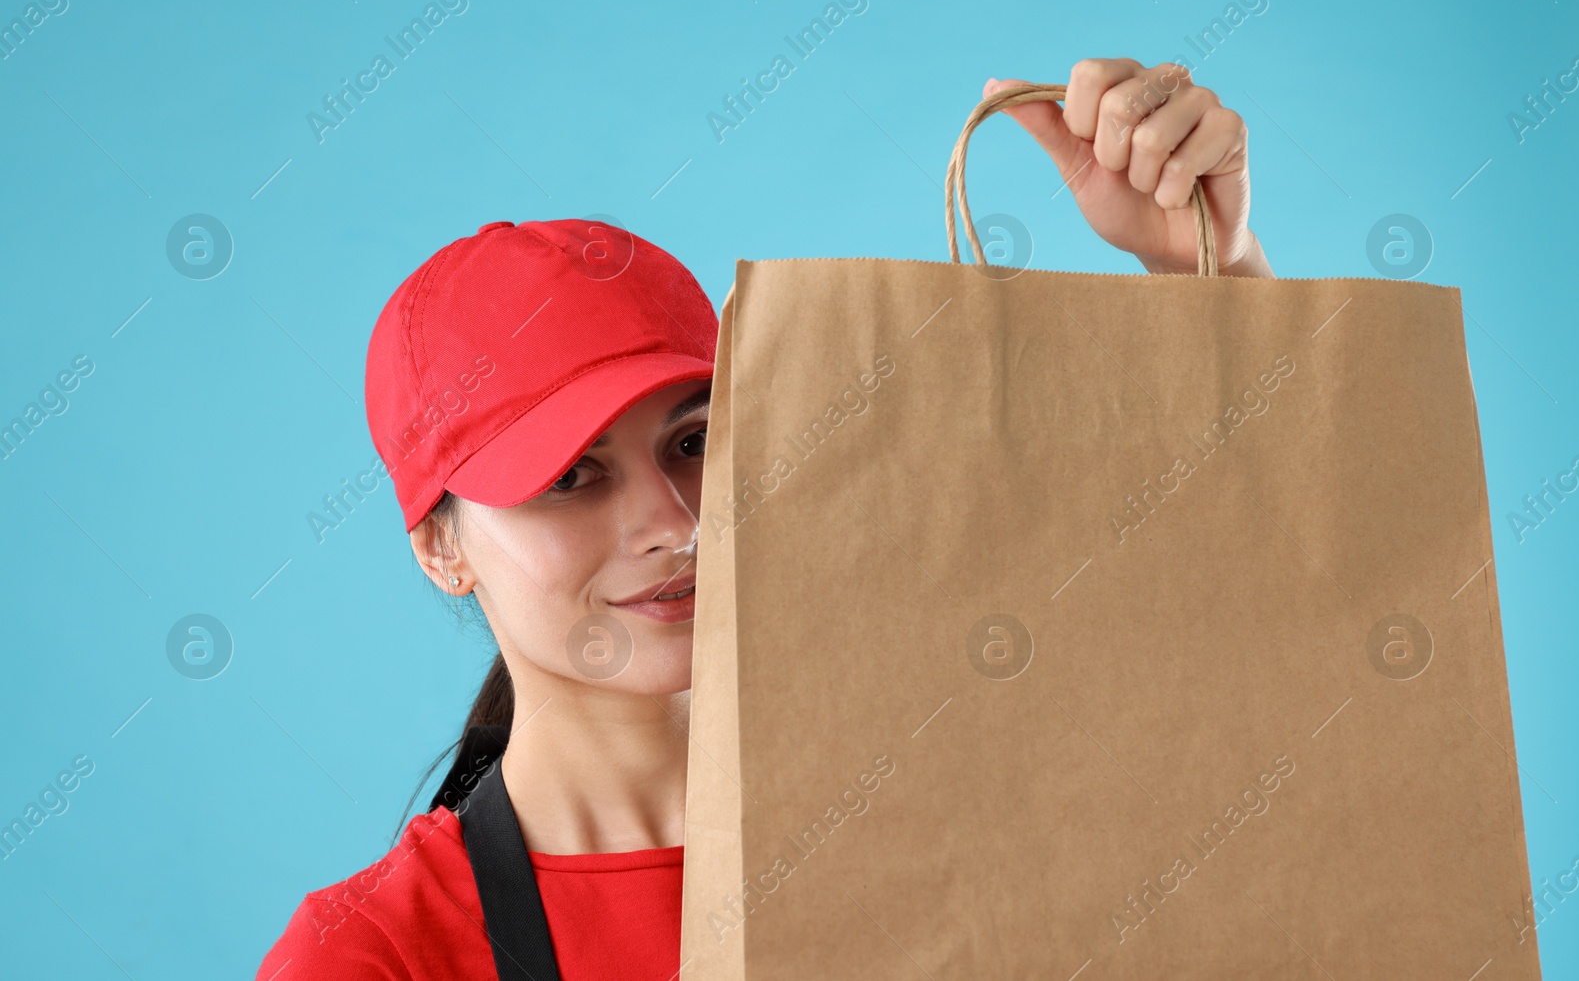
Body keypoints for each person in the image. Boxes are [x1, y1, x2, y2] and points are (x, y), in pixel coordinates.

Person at [255, 60, 1275, 981]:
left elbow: (1283, 658)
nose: (670, 519)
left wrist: (1211, 283)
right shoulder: (378, 954)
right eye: (571, 474)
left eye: (693, 441)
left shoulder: (956, 805)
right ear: (441, 546)